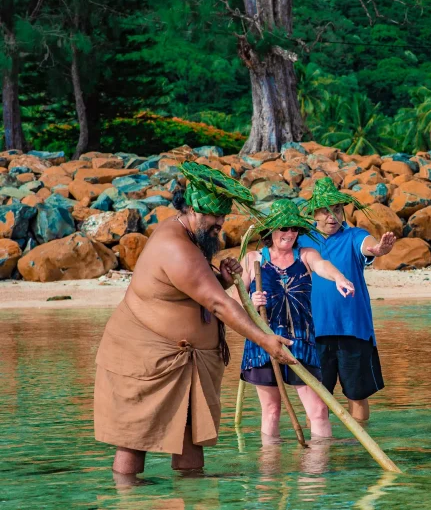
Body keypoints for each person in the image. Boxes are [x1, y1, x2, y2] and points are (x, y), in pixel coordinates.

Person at [93, 162, 295, 481]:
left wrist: (223, 279)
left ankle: (194, 498)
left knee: (191, 436)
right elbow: (217, 303)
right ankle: (127, 500)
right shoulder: (176, 246)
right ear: (191, 209)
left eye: (222, 217)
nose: (220, 224)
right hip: (148, 358)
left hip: (183, 362)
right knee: (134, 440)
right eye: (213, 217)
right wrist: (265, 339)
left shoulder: (188, 236)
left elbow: (198, 291)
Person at [238, 199, 355, 439]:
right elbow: (232, 299)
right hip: (264, 341)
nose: (289, 233)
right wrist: (251, 302)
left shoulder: (305, 254)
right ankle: (270, 472)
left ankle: (315, 474)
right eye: (283, 228)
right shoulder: (253, 259)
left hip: (300, 342)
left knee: (319, 411)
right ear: (271, 231)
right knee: (271, 410)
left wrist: (340, 278)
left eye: (293, 229)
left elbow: (322, 266)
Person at [296, 177, 396, 421]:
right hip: (314, 332)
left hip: (354, 329)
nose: (332, 216)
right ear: (314, 213)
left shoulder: (354, 236)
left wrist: (378, 250)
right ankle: (319, 452)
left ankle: (358, 455)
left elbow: (368, 246)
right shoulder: (302, 240)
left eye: (337, 210)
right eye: (325, 211)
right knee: (317, 397)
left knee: (357, 395)